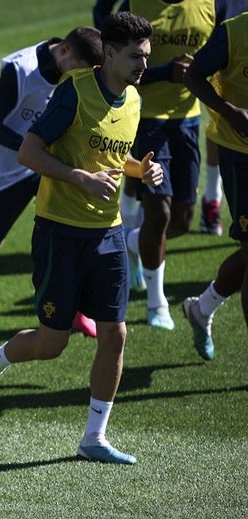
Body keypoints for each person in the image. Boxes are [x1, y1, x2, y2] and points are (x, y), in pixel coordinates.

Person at [0, 12, 163, 465]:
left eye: (147, 57)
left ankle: (94, 437)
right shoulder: (73, 93)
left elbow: (116, 156)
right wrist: (80, 178)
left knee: (115, 334)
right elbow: (28, 151)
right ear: (109, 54)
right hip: (60, 231)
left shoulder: (133, 98)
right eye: (135, 56)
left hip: (108, 232)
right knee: (52, 343)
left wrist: (141, 169)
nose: (143, 65)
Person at [0, 27, 104, 373]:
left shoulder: (80, 74)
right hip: (3, 174)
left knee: (68, 235)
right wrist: (33, 150)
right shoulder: (20, 70)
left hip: (48, 166)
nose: (81, 78)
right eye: (78, 68)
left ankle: (71, 309)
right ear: (63, 52)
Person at [119, 0, 220, 330]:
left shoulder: (208, 5)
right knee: (159, 214)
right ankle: (156, 303)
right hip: (147, 120)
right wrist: (167, 73)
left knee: (181, 220)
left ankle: (131, 242)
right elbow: (115, 68)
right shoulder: (137, 4)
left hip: (188, 122)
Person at [182, 10, 248, 360]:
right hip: (241, 154)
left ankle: (202, 307)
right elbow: (193, 76)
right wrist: (230, 111)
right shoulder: (233, 33)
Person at [198, 0, 248, 235]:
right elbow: (195, 74)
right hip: (238, 148)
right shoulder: (233, 28)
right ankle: (211, 197)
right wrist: (229, 111)